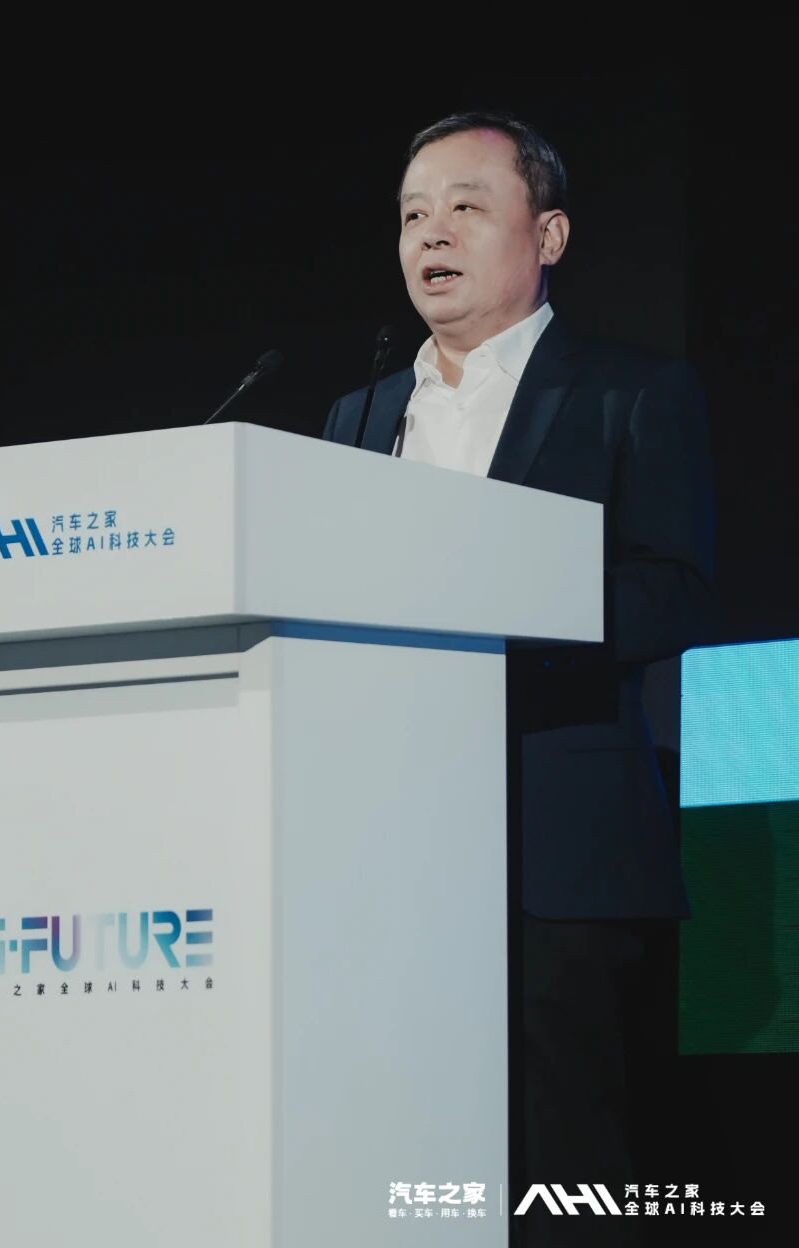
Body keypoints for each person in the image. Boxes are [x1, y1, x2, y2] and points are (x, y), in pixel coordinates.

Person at [323, 110, 715, 1229]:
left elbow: (674, 589)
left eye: (464, 206)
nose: (430, 235)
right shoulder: (358, 415)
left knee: (570, 1168)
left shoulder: (630, 392)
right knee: (410, 1160)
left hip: (560, 851)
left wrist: (500, 607)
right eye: (412, 214)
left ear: (547, 235)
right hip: (388, 858)